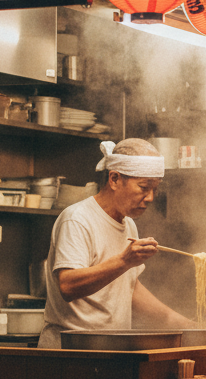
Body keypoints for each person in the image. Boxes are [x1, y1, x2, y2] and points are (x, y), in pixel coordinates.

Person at [37, 139, 191, 348]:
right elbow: (68, 285)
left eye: (155, 189)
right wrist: (125, 261)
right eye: (144, 187)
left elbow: (129, 289)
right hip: (72, 351)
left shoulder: (128, 225)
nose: (150, 198)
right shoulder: (78, 219)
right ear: (115, 179)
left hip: (110, 349)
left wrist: (188, 326)